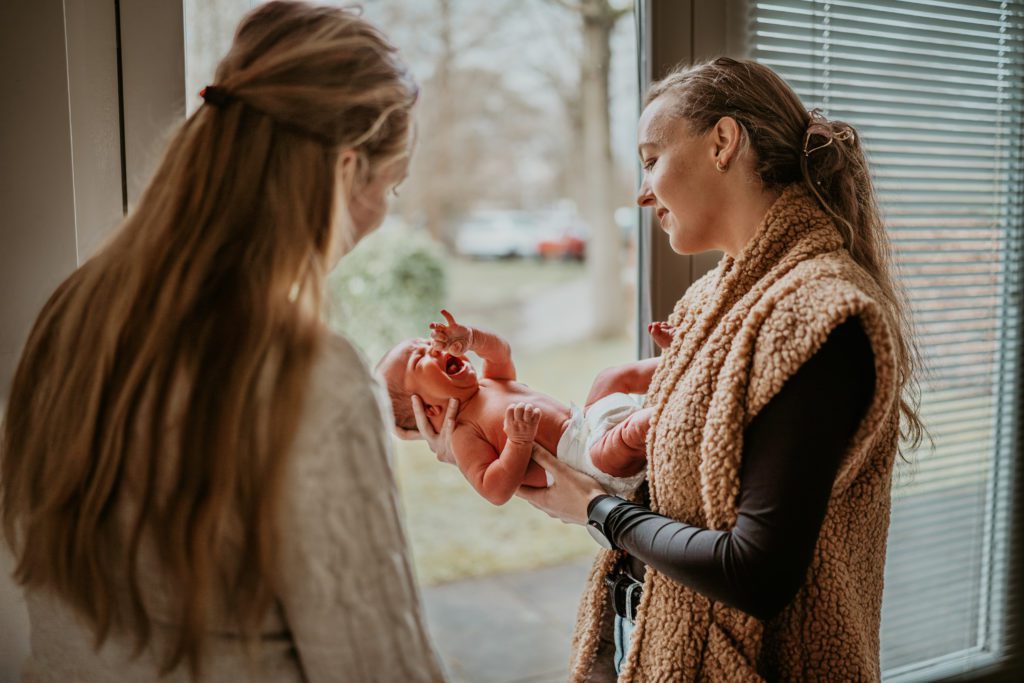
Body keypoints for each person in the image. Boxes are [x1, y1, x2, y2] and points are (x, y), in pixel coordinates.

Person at [416, 57, 926, 681]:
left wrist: (597, 512)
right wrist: (493, 437)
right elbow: (674, 492)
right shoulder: (714, 301)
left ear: (723, 142)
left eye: (651, 158)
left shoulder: (821, 316)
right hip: (653, 639)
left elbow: (754, 572)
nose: (641, 190)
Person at [0, 3, 445, 681]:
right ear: (346, 169)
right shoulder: (308, 379)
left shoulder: (73, 316)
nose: (383, 213)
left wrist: (359, 415)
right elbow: (378, 668)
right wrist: (338, 410)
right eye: (391, 183)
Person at [378, 311, 672, 501]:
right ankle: (673, 412)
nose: (433, 348)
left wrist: (472, 338)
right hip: (589, 465)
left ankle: (678, 361)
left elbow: (500, 353)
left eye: (424, 342)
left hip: (586, 422)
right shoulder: (463, 433)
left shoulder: (488, 383)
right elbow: (493, 489)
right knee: (633, 431)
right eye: (420, 358)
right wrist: (518, 442)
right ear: (429, 409)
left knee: (610, 377)